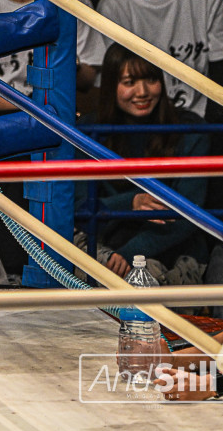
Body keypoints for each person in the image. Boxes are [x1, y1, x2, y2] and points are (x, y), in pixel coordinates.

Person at [77, 43, 210, 282]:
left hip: (173, 251)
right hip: (105, 243)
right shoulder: (88, 131)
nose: (142, 92)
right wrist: (131, 202)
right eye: (129, 82)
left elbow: (189, 216)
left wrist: (129, 254)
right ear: (111, 86)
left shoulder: (191, 130)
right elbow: (77, 209)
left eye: (151, 79)